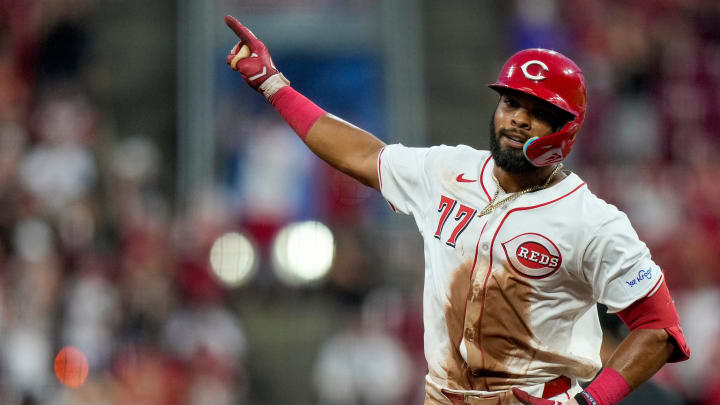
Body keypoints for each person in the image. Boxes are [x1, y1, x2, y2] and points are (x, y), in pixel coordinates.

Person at [222, 15, 690, 405]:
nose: (517, 117)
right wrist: (272, 84)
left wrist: (592, 402)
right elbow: (361, 154)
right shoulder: (448, 171)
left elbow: (660, 330)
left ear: (566, 127)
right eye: (510, 102)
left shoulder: (593, 221)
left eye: (537, 109)